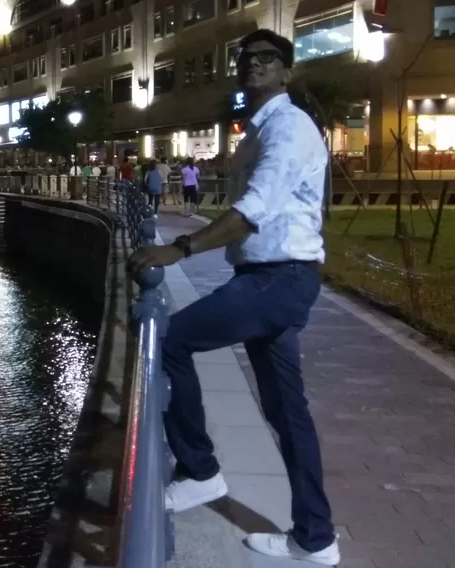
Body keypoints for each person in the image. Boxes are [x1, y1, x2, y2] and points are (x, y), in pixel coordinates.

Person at [127, 29, 339, 565]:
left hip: (277, 280)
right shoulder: (257, 130)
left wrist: (179, 248)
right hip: (274, 278)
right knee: (287, 412)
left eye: (268, 58)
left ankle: (200, 471)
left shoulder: (287, 127)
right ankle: (317, 538)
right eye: (246, 58)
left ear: (286, 70)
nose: (254, 64)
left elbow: (253, 209)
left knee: (171, 339)